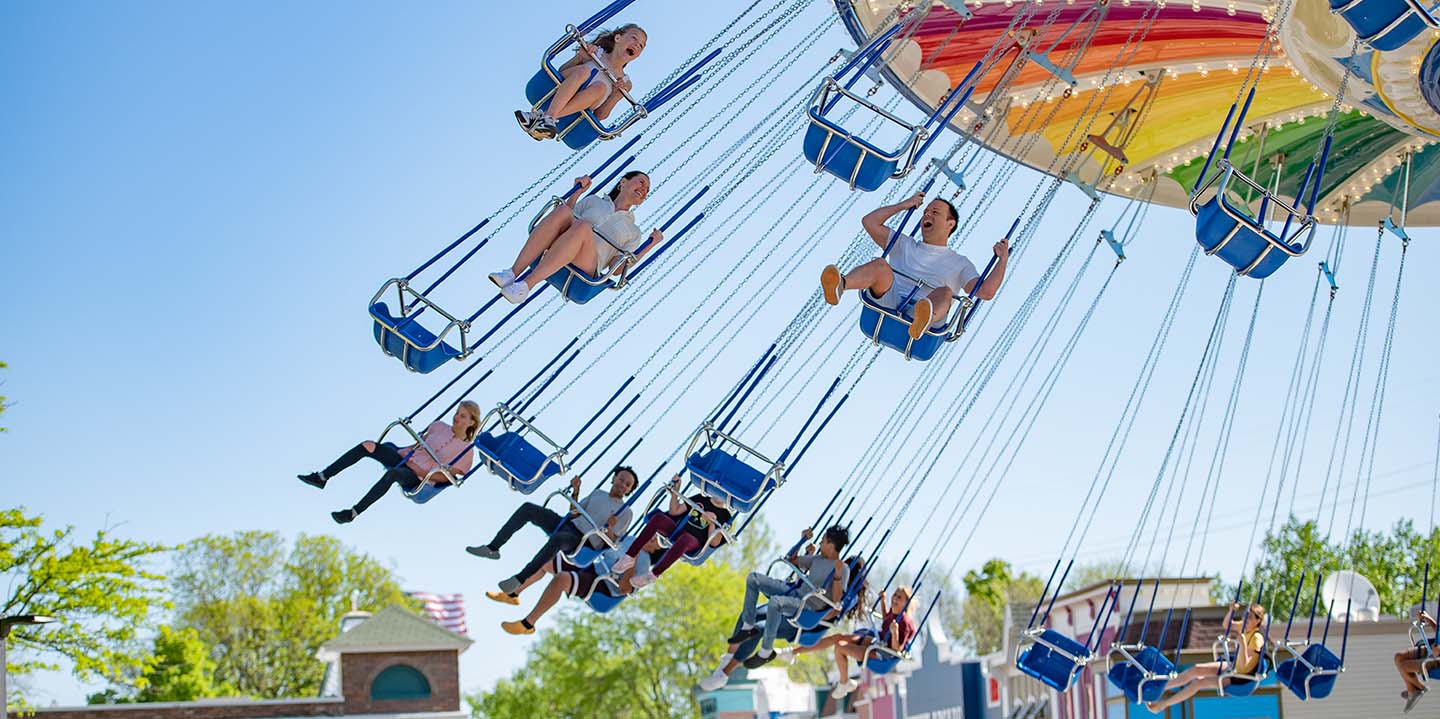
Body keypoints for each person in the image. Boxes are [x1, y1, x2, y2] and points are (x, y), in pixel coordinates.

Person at [820, 193, 1008, 340]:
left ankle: (923, 318)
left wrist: (1002, 260)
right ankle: (840, 285)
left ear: (950, 224)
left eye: (935, 212)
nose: (927, 214)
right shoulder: (904, 244)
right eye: (926, 212)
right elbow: (869, 222)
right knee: (880, 265)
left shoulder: (960, 263)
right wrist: (904, 205)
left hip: (928, 311)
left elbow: (986, 292)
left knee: (945, 292)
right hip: (889, 298)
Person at [698, 526, 853, 690]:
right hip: (792, 594)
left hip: (805, 608)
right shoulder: (817, 559)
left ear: (831, 544)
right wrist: (802, 541)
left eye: (823, 540)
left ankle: (728, 672)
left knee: (766, 617)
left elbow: (836, 602)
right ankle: (734, 647)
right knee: (753, 582)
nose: (820, 542)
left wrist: (836, 575)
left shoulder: (842, 568)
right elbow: (791, 560)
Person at [466, 466, 637, 602]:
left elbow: (614, 544)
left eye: (627, 484)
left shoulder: (626, 512)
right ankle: (493, 548)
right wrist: (576, 490)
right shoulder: (598, 493)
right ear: (614, 478)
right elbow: (574, 511)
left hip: (582, 541)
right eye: (621, 479)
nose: (622, 484)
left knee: (558, 540)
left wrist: (611, 528)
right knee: (528, 509)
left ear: (629, 490)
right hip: (568, 524)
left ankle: (520, 577)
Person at [488, 171, 661, 305]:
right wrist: (577, 193)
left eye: (647, 189)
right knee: (564, 210)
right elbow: (564, 217)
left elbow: (616, 269)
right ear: (623, 182)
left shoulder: (633, 231)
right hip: (564, 240)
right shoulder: (594, 201)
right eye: (641, 182)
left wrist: (649, 245)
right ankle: (512, 273)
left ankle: (526, 285)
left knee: (583, 226)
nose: (644, 189)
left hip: (587, 263)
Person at [297, 402, 479, 524]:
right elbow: (417, 444)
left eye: (463, 416)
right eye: (457, 413)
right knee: (367, 446)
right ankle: (322, 477)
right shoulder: (438, 426)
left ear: (472, 422)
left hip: (420, 479)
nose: (457, 417)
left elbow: (446, 478)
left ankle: (353, 512)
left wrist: (420, 470)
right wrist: (397, 451)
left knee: (392, 474)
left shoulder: (467, 450)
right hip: (406, 458)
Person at [499, 533, 666, 636]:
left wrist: (633, 561)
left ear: (658, 548)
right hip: (596, 564)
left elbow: (624, 589)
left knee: (562, 579)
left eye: (658, 540)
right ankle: (513, 594)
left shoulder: (645, 564)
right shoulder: (631, 539)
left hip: (604, 584)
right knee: (549, 559)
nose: (653, 537)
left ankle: (528, 624)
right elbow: (609, 546)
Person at [782, 585, 918, 700]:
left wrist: (894, 633)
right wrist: (882, 601)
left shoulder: (905, 622)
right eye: (894, 595)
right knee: (837, 638)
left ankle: (844, 682)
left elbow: (896, 649)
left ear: (906, 603)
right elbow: (886, 619)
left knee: (840, 648)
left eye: (899, 598)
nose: (894, 598)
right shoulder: (894, 613)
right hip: (876, 642)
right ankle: (794, 652)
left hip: (882, 654)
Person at [516, 24, 648, 140]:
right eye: (634, 38)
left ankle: (543, 118)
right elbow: (562, 71)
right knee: (584, 71)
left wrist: (617, 95)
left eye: (641, 45)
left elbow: (600, 115)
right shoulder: (597, 52)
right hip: (562, 87)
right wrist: (580, 57)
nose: (637, 44)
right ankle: (547, 119)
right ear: (618, 38)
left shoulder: (624, 81)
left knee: (600, 88)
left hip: (580, 108)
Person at [612, 475, 731, 588]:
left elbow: (714, 542)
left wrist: (712, 523)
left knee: (686, 539)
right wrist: (675, 492)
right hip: (679, 531)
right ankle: (630, 557)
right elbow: (675, 511)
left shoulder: (725, 515)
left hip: (693, 542)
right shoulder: (700, 498)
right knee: (658, 518)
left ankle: (653, 575)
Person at [1147, 603, 1267, 712]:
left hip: (1241, 678)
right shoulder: (1244, 626)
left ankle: (1162, 705)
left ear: (1258, 621)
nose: (1245, 620)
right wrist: (1231, 611)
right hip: (1234, 666)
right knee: (1196, 669)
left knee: (1198, 683)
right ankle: (1157, 688)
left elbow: (1245, 665)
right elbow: (1227, 625)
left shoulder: (1256, 638)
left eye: (1250, 618)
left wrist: (1243, 645)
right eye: (1245, 616)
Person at [1395, 607, 1438, 712]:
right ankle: (1412, 690)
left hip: (1437, 660)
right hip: (1431, 648)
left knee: (1403, 666)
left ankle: (1420, 688)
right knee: (1398, 657)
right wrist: (1428, 618)